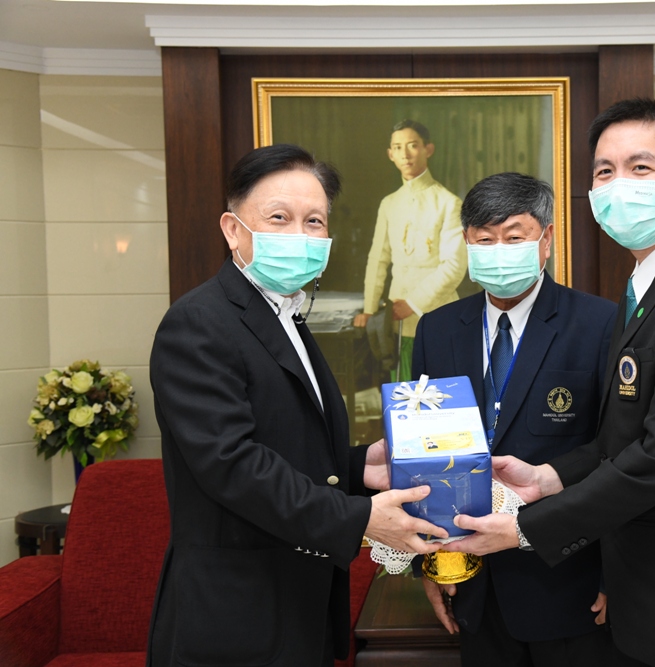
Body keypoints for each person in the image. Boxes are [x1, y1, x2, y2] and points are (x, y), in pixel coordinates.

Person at [446, 99, 655, 667]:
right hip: (646, 580)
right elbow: (620, 439)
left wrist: (524, 528)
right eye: (605, 171)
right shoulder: (648, 286)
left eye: (640, 167)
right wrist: (548, 477)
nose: (619, 185)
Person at [147, 144, 446, 667]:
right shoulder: (198, 323)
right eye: (279, 218)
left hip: (296, 603)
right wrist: (359, 518)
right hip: (234, 613)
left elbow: (286, 441)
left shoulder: (285, 315)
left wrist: (359, 465)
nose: (300, 235)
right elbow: (232, 464)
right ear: (233, 229)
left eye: (314, 221)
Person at [411, 172, 617, 666]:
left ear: (546, 239)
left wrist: (616, 573)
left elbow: (616, 450)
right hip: (472, 585)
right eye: (484, 240)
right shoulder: (437, 329)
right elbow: (421, 451)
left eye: (514, 237)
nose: (498, 251)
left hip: (569, 582)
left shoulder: (599, 323)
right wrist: (428, 564)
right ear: (466, 242)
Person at [353, 120, 466, 381]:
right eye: (397, 147)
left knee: (439, 394)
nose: (405, 154)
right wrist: (370, 308)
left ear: (428, 149)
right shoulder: (389, 203)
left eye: (413, 145)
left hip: (438, 316)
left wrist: (413, 304)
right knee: (404, 390)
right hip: (397, 321)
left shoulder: (448, 203)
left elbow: (454, 266)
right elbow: (378, 259)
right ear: (390, 154)